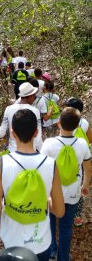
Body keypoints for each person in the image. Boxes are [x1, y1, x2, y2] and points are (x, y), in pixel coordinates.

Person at [0, 109, 65, 261]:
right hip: (41, 243)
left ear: (13, 133)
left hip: (12, 243)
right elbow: (60, 211)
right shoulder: (51, 164)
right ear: (36, 133)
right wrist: (46, 200)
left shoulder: (2, 163)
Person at [41, 107, 91, 261]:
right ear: (77, 127)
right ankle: (63, 257)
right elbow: (88, 168)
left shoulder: (49, 143)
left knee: (49, 223)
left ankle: (51, 252)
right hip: (73, 192)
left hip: (51, 193)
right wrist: (85, 185)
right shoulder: (82, 143)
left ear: (58, 124)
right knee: (66, 226)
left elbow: (41, 167)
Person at [0, 82, 43, 152]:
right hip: (30, 150)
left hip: (13, 150)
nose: (34, 98)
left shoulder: (8, 109)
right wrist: (41, 151)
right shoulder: (35, 111)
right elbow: (38, 135)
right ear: (31, 96)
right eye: (34, 96)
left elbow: (2, 131)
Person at [65, 97, 92, 227]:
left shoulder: (64, 121)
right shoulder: (85, 123)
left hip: (66, 157)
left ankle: (61, 208)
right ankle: (77, 215)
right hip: (82, 156)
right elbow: (90, 139)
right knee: (80, 182)